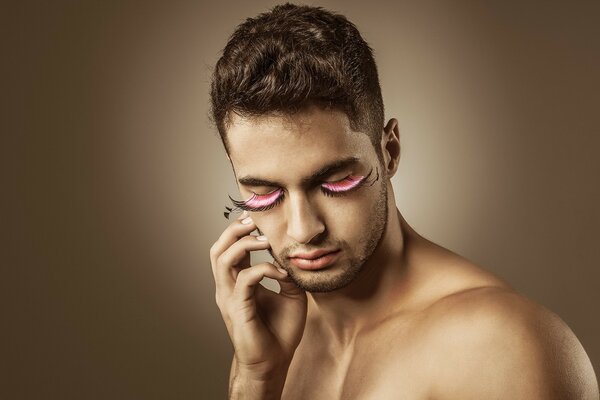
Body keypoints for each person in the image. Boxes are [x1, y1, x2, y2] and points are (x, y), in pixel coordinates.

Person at [209, 4, 599, 399]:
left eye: (337, 180)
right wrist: (257, 378)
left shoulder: (503, 348)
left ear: (389, 151)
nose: (303, 229)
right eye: (265, 193)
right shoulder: (271, 344)